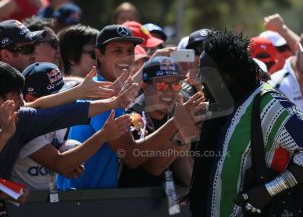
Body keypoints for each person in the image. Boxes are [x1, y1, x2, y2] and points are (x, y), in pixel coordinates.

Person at [188, 29, 303, 216]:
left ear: (226, 76)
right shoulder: (223, 102)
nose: (200, 79)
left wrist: (269, 190)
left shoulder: (269, 105)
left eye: (205, 73)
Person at [56, 25, 203, 189]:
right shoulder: (101, 94)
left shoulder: (112, 93)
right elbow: (132, 156)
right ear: (99, 54)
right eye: (117, 51)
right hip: (82, 199)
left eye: (130, 51)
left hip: (93, 198)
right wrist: (178, 123)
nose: (126, 57)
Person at [0, 60, 138, 181]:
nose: (22, 102)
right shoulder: (18, 120)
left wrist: (111, 102)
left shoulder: (22, 118)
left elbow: (65, 113)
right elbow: (60, 164)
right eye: (16, 95)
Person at [118, 56, 195, 188]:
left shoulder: (174, 115)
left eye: (176, 85)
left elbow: (184, 167)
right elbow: (153, 167)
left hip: (165, 204)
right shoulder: (133, 117)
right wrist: (180, 137)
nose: (169, 92)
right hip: (131, 202)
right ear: (145, 87)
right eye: (162, 85)